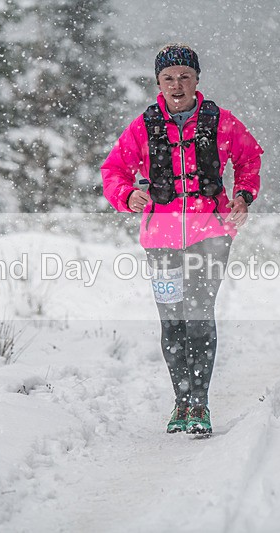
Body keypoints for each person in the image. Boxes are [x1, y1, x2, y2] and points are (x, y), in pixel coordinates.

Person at [101, 43, 263, 435]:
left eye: (184, 77)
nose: (177, 85)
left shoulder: (221, 122)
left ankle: (200, 405)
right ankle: (182, 401)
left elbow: (250, 159)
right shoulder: (144, 127)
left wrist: (242, 195)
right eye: (169, 78)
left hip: (211, 235)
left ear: (196, 80)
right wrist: (127, 195)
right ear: (158, 81)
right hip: (160, 240)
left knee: (198, 316)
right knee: (172, 321)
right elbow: (113, 171)